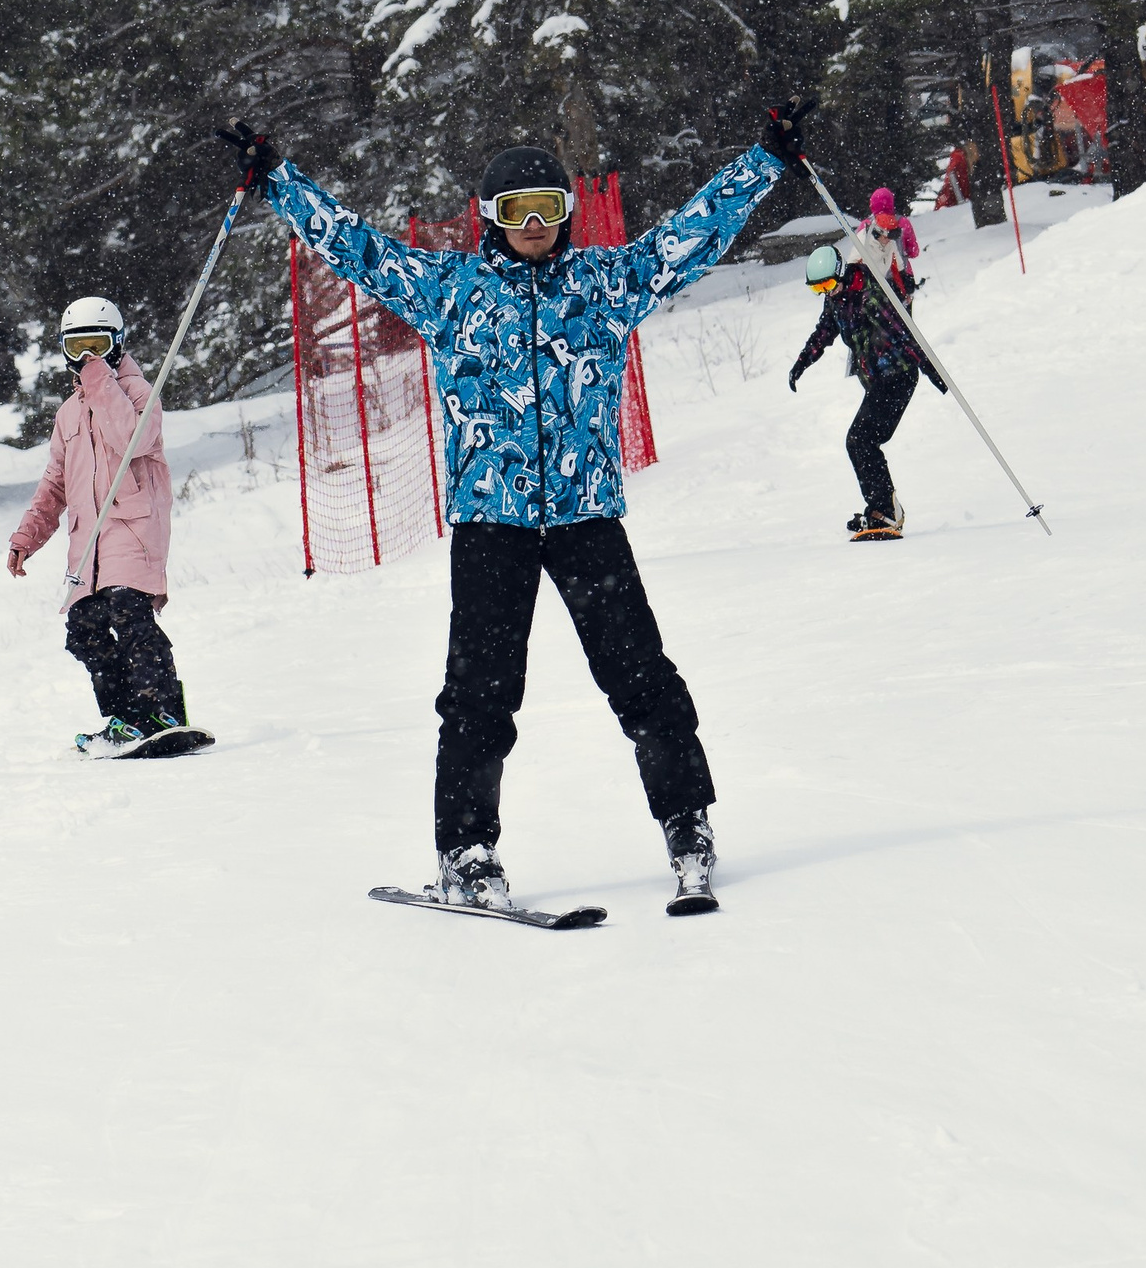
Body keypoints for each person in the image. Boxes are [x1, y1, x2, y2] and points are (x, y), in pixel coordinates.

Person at [214, 103, 810, 914]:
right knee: (478, 696)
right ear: (488, 219)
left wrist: (766, 163)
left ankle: (687, 825)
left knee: (641, 679)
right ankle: (466, 851)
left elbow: (692, 236)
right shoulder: (450, 293)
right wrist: (279, 181)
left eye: (549, 210)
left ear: (566, 215)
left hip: (584, 519)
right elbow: (357, 247)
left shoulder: (606, 285)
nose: (535, 226)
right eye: (516, 212)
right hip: (490, 527)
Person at [7, 292, 192, 749]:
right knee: (84, 629)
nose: (87, 357)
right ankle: (124, 718)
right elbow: (55, 485)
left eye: (97, 345)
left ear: (117, 343)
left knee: (130, 612)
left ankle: (162, 710)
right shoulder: (68, 414)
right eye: (76, 348)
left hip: (133, 528)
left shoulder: (137, 394)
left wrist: (99, 380)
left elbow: (131, 437)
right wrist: (27, 535)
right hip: (87, 543)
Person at [788, 198, 922, 540]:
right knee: (860, 441)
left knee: (861, 440)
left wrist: (932, 369)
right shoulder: (836, 301)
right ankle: (880, 508)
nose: (826, 292)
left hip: (898, 375)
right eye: (818, 289)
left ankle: (886, 512)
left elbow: (903, 326)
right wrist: (801, 363)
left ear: (841, 275)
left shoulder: (870, 293)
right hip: (877, 380)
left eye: (828, 285)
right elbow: (823, 333)